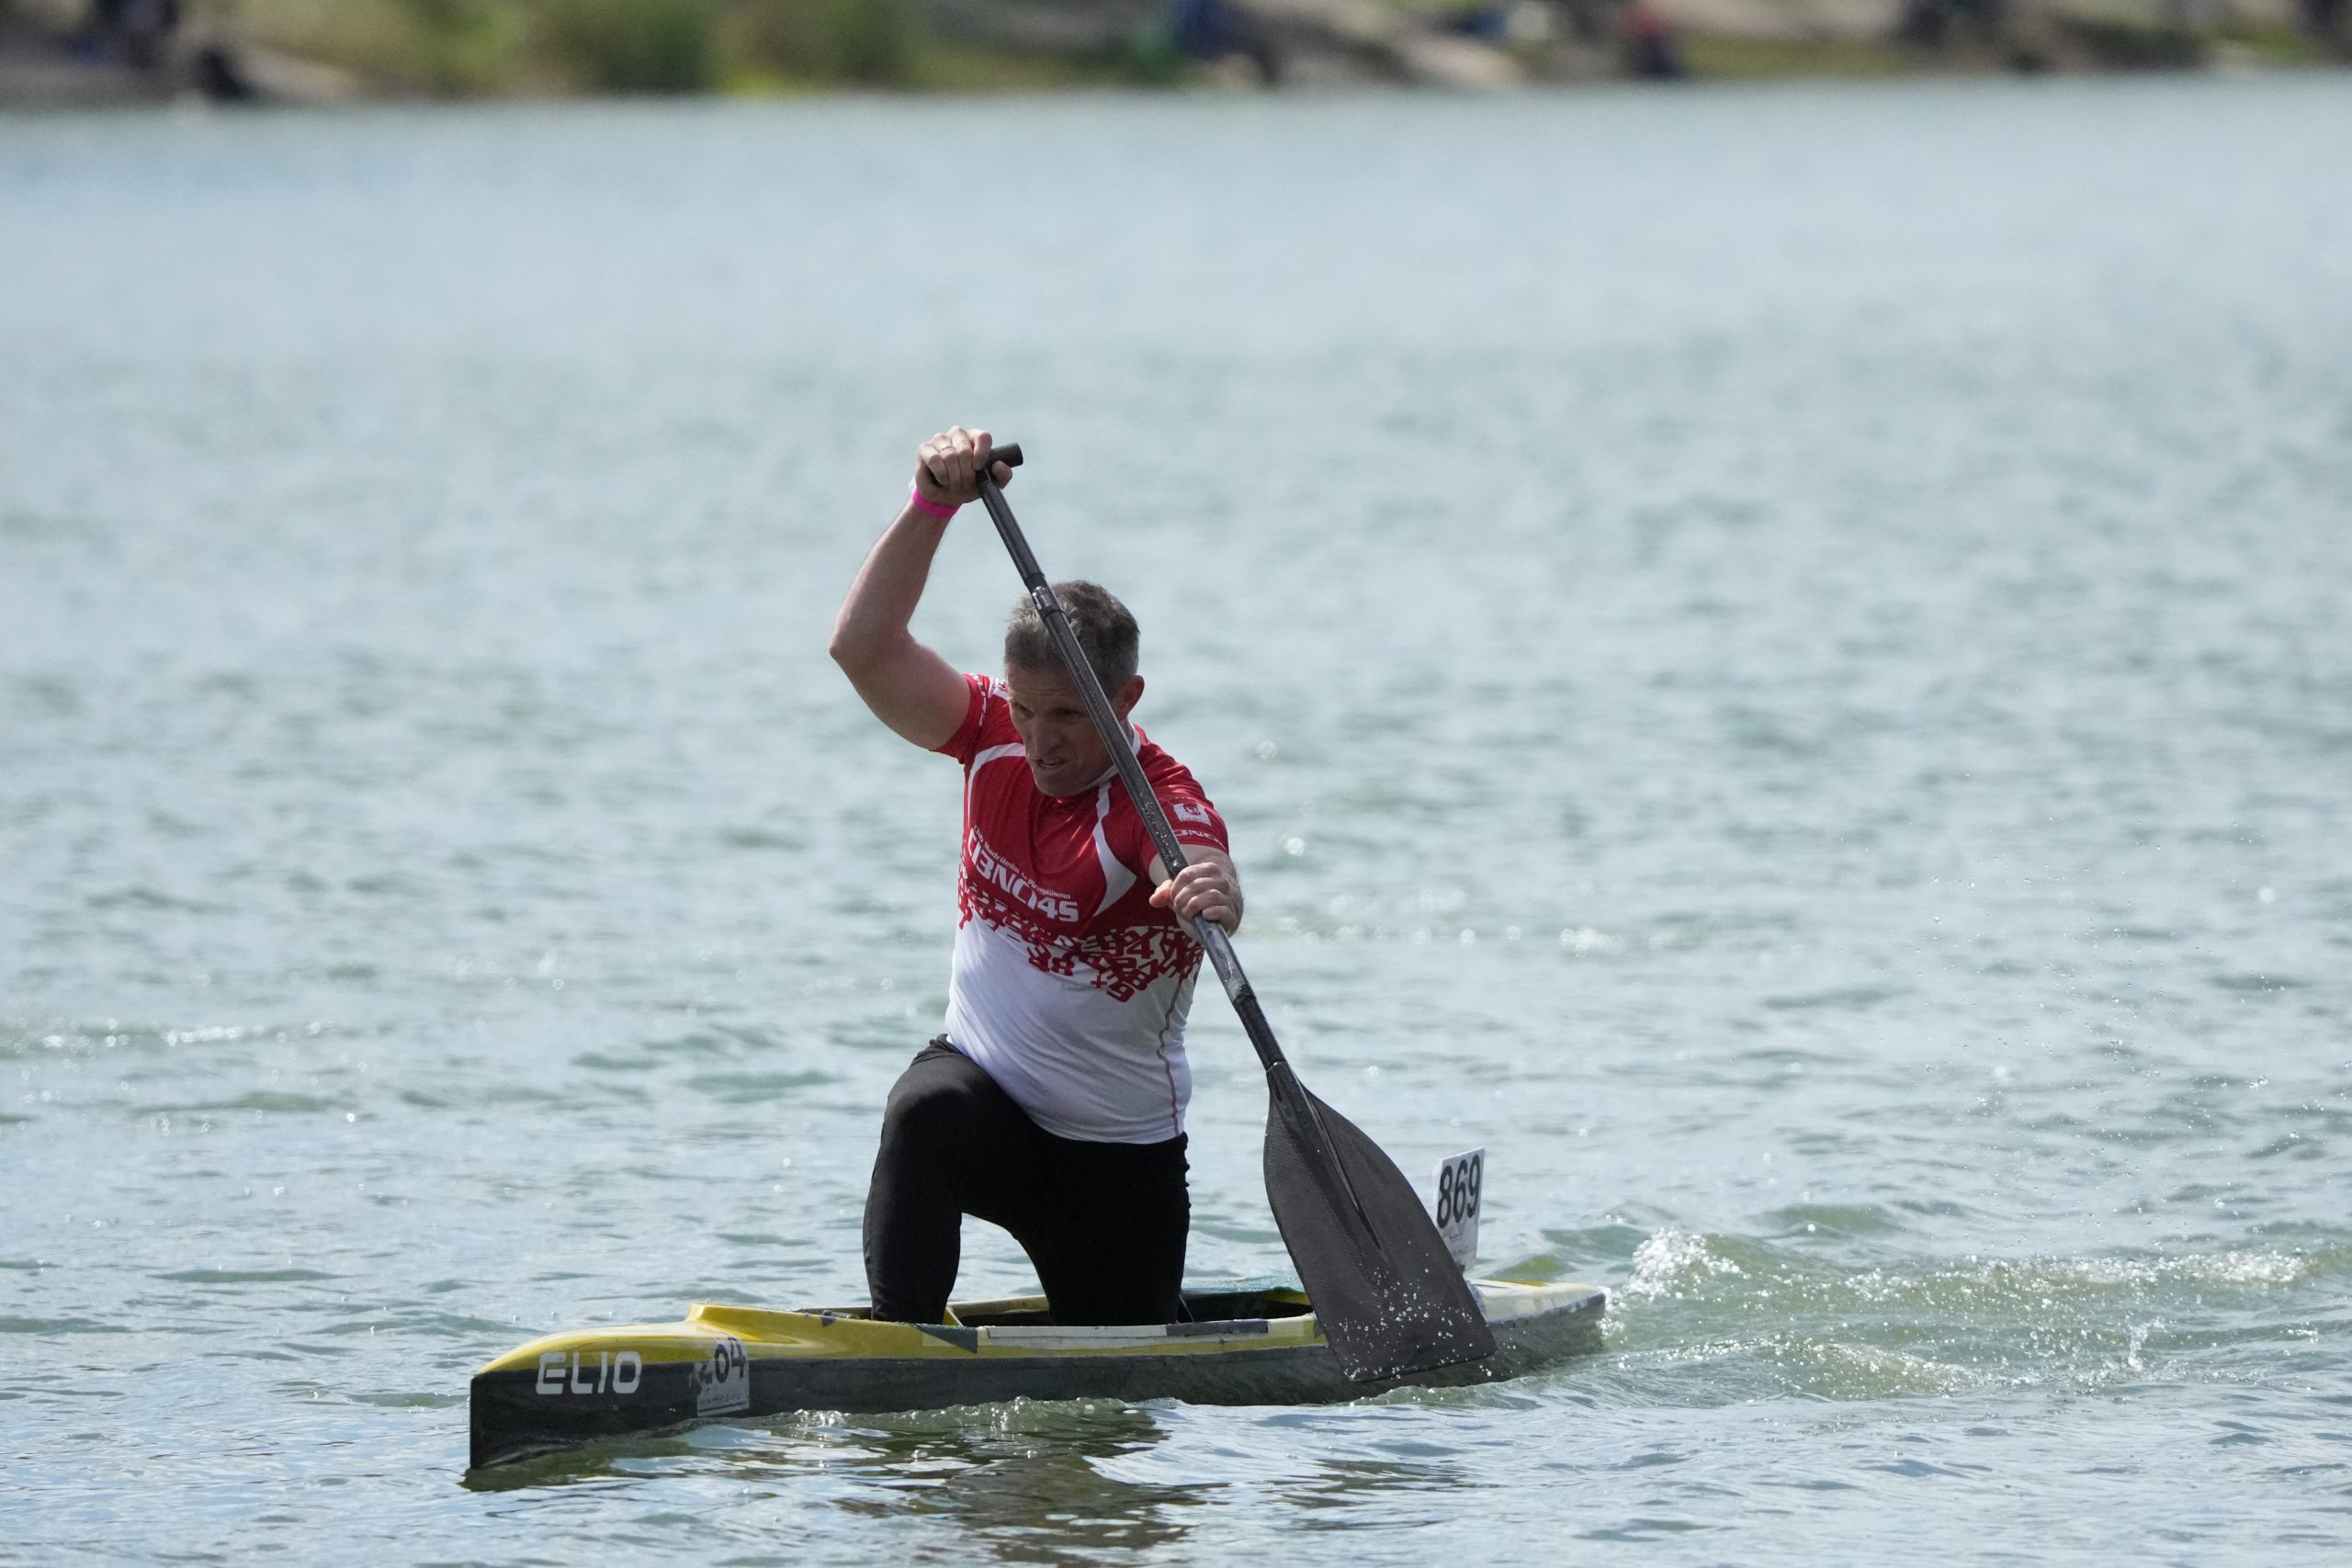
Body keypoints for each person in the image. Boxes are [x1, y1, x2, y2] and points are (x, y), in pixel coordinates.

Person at [829, 426, 1243, 1327]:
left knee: (1123, 1373)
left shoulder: (1155, 800)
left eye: (1067, 715)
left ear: (1125, 700)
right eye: (1025, 708)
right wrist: (931, 504)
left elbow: (1198, 859)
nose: (1040, 740)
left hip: (1113, 1158)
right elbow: (864, 649)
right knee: (922, 1111)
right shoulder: (987, 732)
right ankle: (900, 1347)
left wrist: (1212, 890)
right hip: (982, 1100)